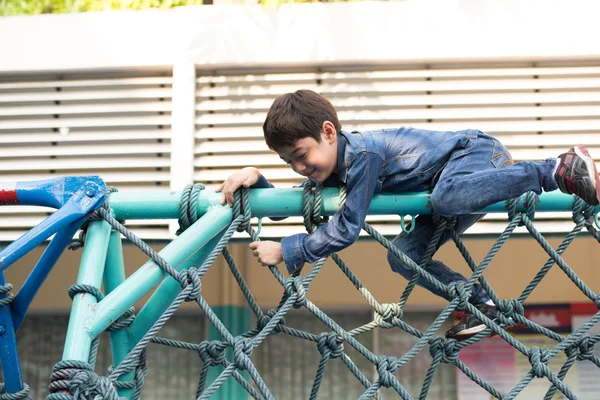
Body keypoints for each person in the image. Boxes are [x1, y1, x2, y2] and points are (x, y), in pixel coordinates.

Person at [216, 89, 600, 339]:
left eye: (300, 156)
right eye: (288, 162)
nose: (299, 168)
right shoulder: (332, 170)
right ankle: (482, 306)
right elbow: (298, 205)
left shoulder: (362, 156)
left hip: (475, 156)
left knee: (446, 198)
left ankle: (557, 169)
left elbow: (347, 229)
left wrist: (289, 250)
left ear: (329, 133)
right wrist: (259, 182)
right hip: (452, 185)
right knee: (402, 256)